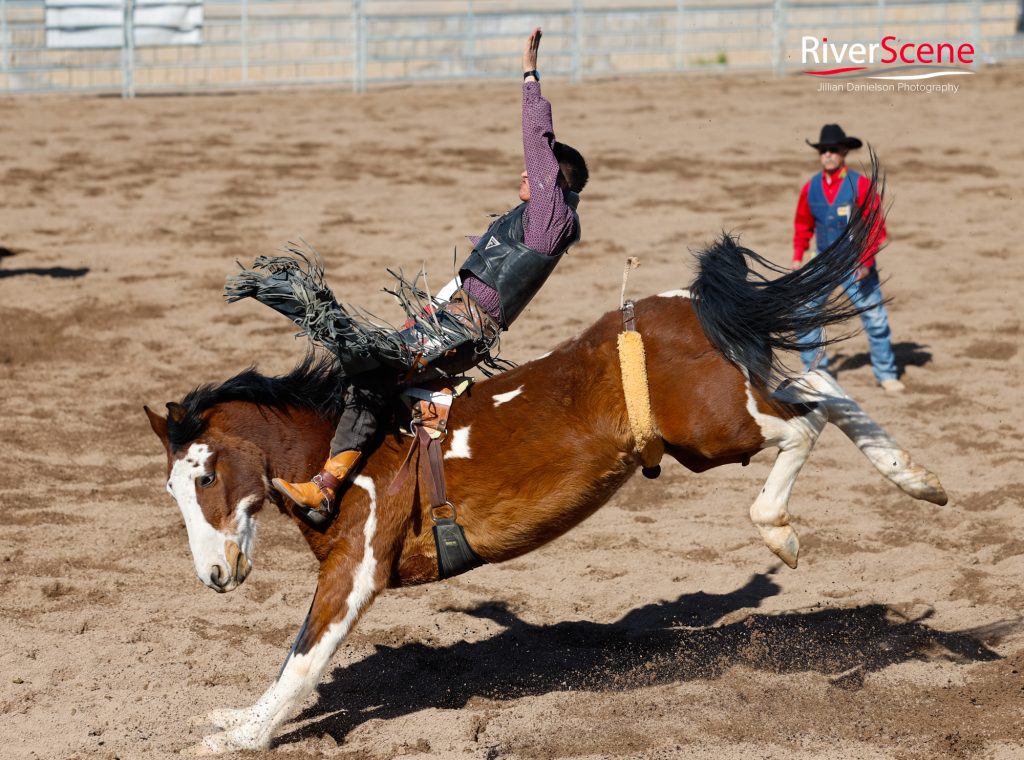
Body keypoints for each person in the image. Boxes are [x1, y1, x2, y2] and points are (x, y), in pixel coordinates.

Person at [272, 27, 588, 522]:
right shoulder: (537, 218)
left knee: (367, 370)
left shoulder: (552, 214)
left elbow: (537, 143)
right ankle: (332, 484)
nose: (524, 174)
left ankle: (329, 486)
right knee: (367, 376)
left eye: (536, 171)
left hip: (460, 328)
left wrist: (529, 72)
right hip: (448, 319)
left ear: (554, 179)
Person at [792, 123, 904, 393]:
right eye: (823, 151)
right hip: (823, 261)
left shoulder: (861, 184)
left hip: (855, 263)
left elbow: (875, 226)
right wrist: (797, 257)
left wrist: (865, 262)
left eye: (833, 150)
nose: (827, 155)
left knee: (875, 318)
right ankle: (816, 372)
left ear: (844, 152)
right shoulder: (811, 187)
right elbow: (803, 225)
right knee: (805, 313)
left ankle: (886, 373)